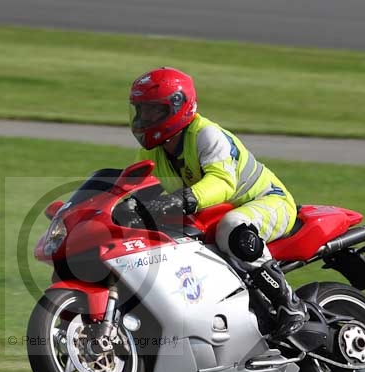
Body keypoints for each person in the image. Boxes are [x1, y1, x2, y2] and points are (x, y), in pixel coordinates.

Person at [127, 67, 307, 340]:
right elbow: (145, 189)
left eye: (153, 111)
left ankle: (288, 303)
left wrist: (184, 199)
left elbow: (223, 182)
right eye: (140, 111)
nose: (144, 119)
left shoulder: (206, 135)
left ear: (178, 106)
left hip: (267, 202)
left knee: (232, 228)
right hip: (213, 213)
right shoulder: (153, 151)